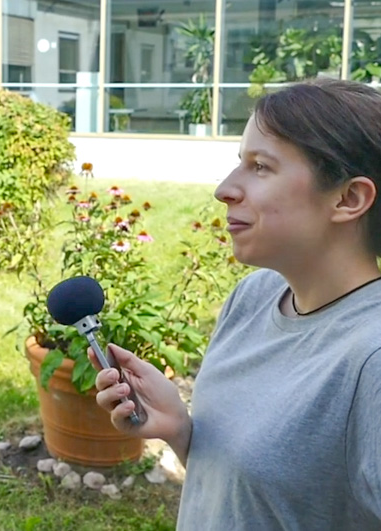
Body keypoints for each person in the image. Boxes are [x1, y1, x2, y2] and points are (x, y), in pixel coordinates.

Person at [92, 78, 381, 529]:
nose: (225, 189)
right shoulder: (255, 295)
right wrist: (180, 430)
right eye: (238, 163)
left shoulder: (371, 360)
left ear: (349, 198)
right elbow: (267, 499)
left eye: (261, 166)